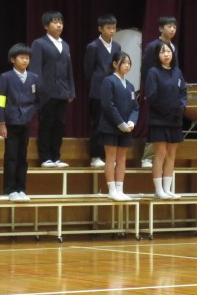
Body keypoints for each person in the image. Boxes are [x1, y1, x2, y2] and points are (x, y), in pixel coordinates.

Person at [30, 11, 76, 168]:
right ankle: (45, 158)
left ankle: (56, 157)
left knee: (59, 125)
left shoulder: (65, 45)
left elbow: (69, 70)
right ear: (46, 26)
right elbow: (36, 69)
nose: (59, 25)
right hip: (46, 93)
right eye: (55, 22)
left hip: (62, 92)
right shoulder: (39, 43)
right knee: (46, 124)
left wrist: (71, 91)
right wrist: (38, 90)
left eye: (61, 22)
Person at [0, 43, 40, 202]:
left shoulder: (34, 78)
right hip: (11, 122)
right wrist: (2, 123)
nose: (25, 60)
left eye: (27, 58)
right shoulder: (6, 77)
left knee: (23, 157)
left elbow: (39, 100)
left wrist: (31, 112)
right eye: (21, 57)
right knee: (11, 157)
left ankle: (21, 189)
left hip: (25, 122)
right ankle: (10, 190)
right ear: (13, 59)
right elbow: (0, 101)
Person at [145, 41, 187, 200]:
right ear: (157, 55)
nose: (166, 54)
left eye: (168, 51)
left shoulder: (177, 72)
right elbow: (152, 97)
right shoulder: (153, 72)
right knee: (160, 153)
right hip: (159, 119)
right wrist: (168, 110)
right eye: (162, 52)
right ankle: (158, 190)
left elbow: (183, 92)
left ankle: (167, 189)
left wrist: (181, 107)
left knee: (171, 153)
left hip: (175, 119)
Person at [138, 16, 178, 168]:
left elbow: (175, 70)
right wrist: (149, 90)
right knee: (156, 125)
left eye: (174, 26)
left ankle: (163, 159)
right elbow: (145, 70)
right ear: (161, 28)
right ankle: (147, 157)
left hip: (170, 94)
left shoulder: (173, 47)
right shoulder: (152, 46)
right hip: (156, 93)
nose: (172, 29)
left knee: (168, 125)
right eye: (169, 26)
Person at [99, 51, 138, 201]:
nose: (127, 65)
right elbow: (108, 105)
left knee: (122, 157)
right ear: (115, 64)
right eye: (124, 62)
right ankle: (111, 190)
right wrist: (121, 123)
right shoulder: (108, 81)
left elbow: (135, 107)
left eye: (129, 63)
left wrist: (131, 122)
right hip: (111, 126)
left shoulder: (130, 86)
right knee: (111, 157)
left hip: (126, 128)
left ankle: (120, 189)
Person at [84, 14, 121, 168]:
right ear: (100, 29)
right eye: (108, 28)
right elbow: (88, 70)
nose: (112, 31)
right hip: (98, 91)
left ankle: (109, 156)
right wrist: (97, 83)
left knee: (111, 124)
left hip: (113, 90)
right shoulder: (93, 46)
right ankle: (95, 156)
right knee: (98, 124)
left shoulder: (117, 46)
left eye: (114, 28)